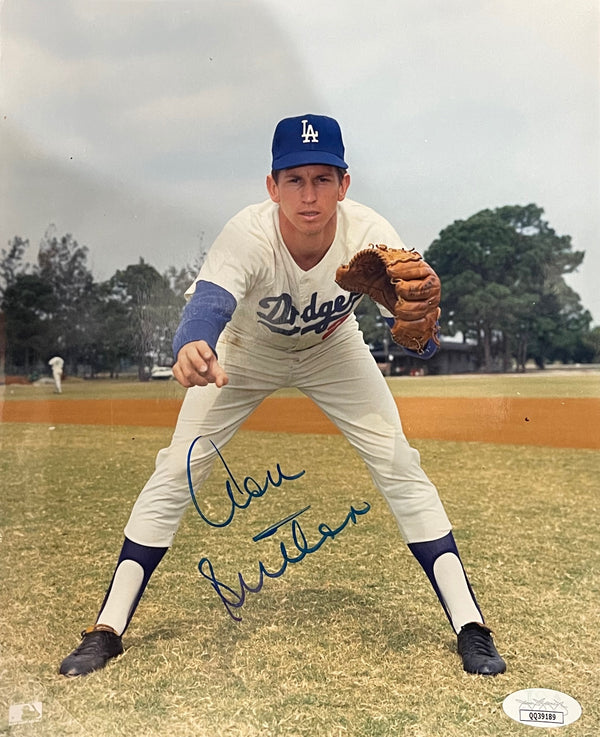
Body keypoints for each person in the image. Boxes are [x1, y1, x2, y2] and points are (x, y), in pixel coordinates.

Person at [59, 114, 506, 678]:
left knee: (399, 463)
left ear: (345, 184)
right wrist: (195, 343)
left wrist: (421, 331)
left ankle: (471, 625)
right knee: (178, 470)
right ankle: (107, 629)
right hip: (245, 351)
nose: (310, 194)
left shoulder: (370, 232)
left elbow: (420, 341)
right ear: (272, 186)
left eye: (324, 178)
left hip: (333, 350)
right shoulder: (248, 234)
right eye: (295, 179)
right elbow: (209, 305)